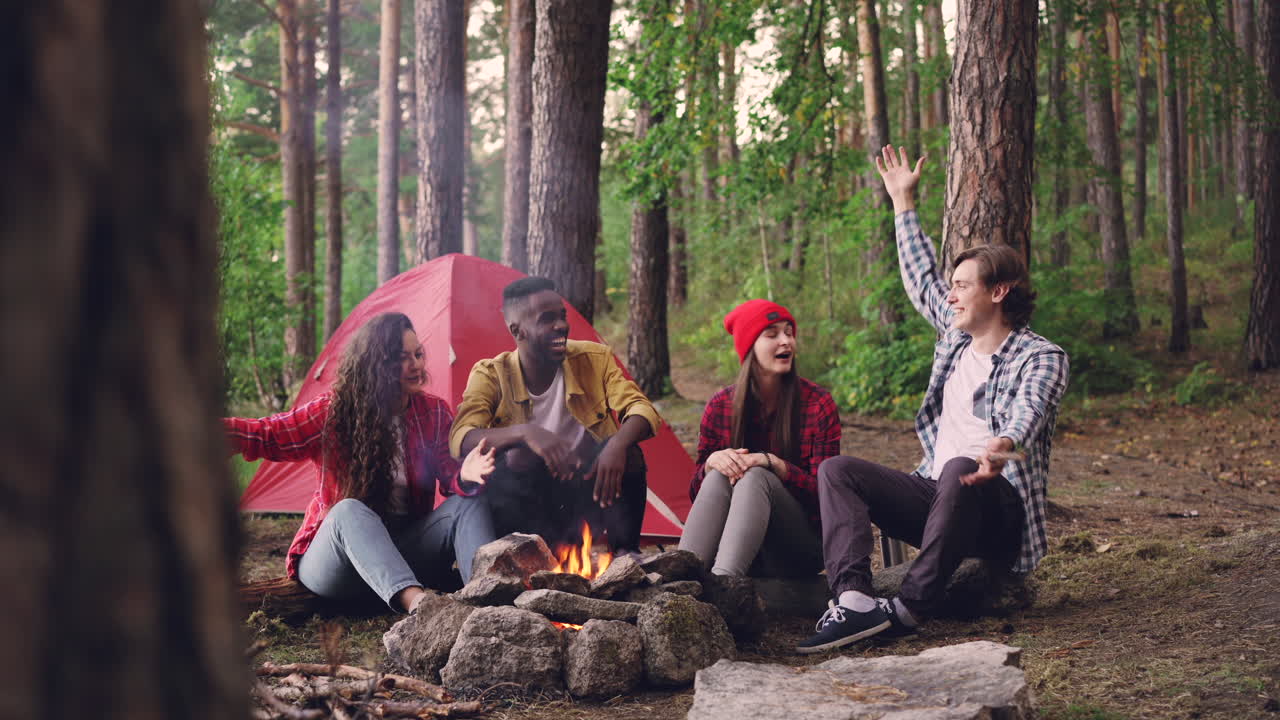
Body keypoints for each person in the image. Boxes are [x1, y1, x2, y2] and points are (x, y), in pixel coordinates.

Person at [797, 147, 1070, 653]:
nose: (951, 295)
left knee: (959, 467)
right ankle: (855, 601)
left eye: (963, 286)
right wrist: (903, 203)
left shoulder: (1042, 356)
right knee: (837, 470)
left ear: (998, 292)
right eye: (954, 286)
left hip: (996, 510)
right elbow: (921, 279)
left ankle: (907, 609)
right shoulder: (955, 334)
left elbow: (1027, 412)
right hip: (938, 496)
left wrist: (998, 447)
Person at [224, 312, 497, 613]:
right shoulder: (334, 413)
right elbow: (270, 435)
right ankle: (420, 609)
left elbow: (449, 475)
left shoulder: (432, 411)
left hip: (403, 552)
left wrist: (466, 474)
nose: (417, 365)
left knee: (468, 504)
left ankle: (488, 605)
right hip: (338, 564)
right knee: (348, 510)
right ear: (376, 365)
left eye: (418, 354)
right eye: (402, 358)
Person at [449, 277, 660, 554]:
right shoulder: (491, 374)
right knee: (517, 455)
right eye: (547, 319)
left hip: (588, 495)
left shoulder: (593, 359)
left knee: (628, 452)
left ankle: (626, 554)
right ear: (518, 330)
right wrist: (526, 432)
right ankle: (528, 558)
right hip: (528, 509)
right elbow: (461, 437)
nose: (561, 325)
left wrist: (617, 445)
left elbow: (642, 409)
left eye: (562, 315)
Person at [678, 300, 840, 578]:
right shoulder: (721, 405)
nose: (786, 341)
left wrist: (776, 465)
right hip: (738, 546)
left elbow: (827, 497)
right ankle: (680, 581)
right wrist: (710, 464)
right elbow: (697, 494)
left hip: (800, 548)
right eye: (772, 334)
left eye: (789, 332)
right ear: (749, 345)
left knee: (754, 475)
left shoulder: (818, 404)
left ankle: (724, 585)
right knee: (717, 475)